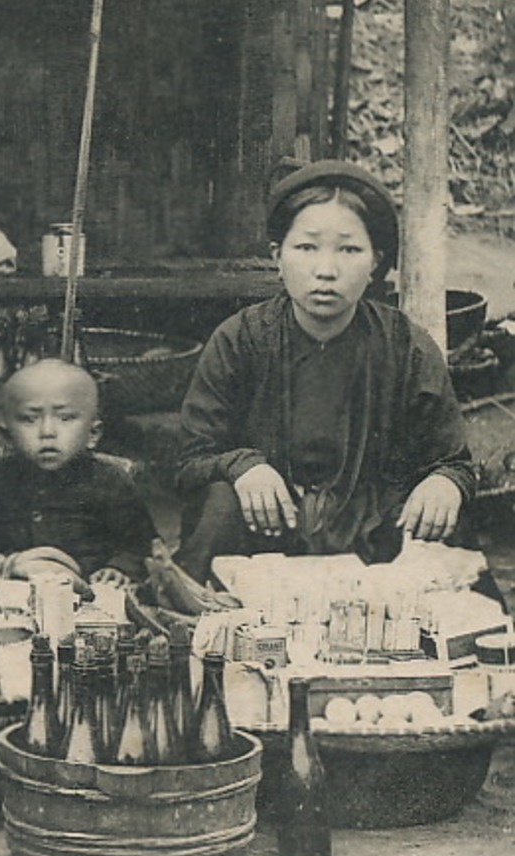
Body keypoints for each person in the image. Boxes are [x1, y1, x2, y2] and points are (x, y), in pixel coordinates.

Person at [174, 159, 474, 582]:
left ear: (375, 261)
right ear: (278, 257)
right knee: (220, 499)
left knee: (438, 513)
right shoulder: (240, 339)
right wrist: (244, 467)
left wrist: (445, 483)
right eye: (307, 247)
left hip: (372, 535)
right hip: (267, 528)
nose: (326, 270)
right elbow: (192, 460)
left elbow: (452, 459)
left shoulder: (406, 345)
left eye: (349, 249)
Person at [0, 359, 156, 587]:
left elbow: (140, 546)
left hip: (90, 592)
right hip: (14, 589)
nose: (47, 432)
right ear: (6, 435)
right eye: (30, 419)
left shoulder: (110, 482)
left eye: (65, 418)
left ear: (93, 434)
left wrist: (118, 569)